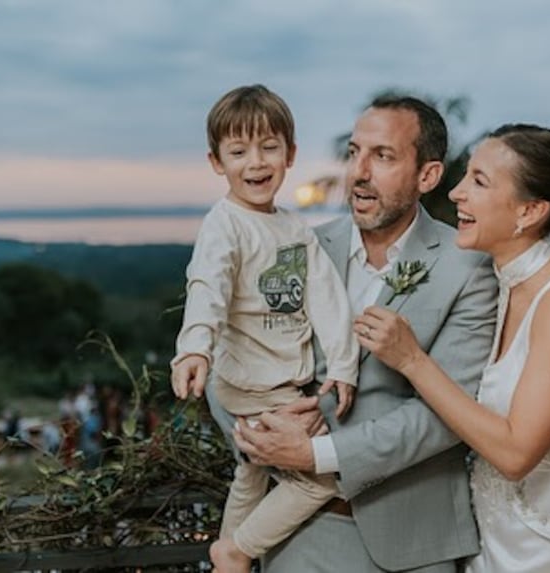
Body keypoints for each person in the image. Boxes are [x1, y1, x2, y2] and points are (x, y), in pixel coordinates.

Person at [354, 124, 550, 572]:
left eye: (479, 181)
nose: (456, 193)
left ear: (530, 211)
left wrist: (413, 360)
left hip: (547, 559)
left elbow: (516, 454)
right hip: (487, 549)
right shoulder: (503, 287)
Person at [223, 93, 499, 572]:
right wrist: (261, 431)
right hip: (298, 537)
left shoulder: (469, 270)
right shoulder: (295, 248)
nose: (359, 172)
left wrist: (318, 453)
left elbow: (449, 415)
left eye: (383, 156)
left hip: (414, 543)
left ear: (427, 176)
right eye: (354, 153)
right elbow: (226, 360)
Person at [170, 84, 359, 573]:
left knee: (251, 472)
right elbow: (206, 287)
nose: (255, 162)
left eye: (269, 147)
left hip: (281, 382)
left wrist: (342, 365)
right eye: (238, 152)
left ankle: (227, 558)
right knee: (320, 479)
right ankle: (236, 552)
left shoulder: (295, 229)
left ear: (290, 154)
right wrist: (194, 350)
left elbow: (327, 298)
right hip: (253, 386)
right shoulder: (224, 225)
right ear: (217, 162)